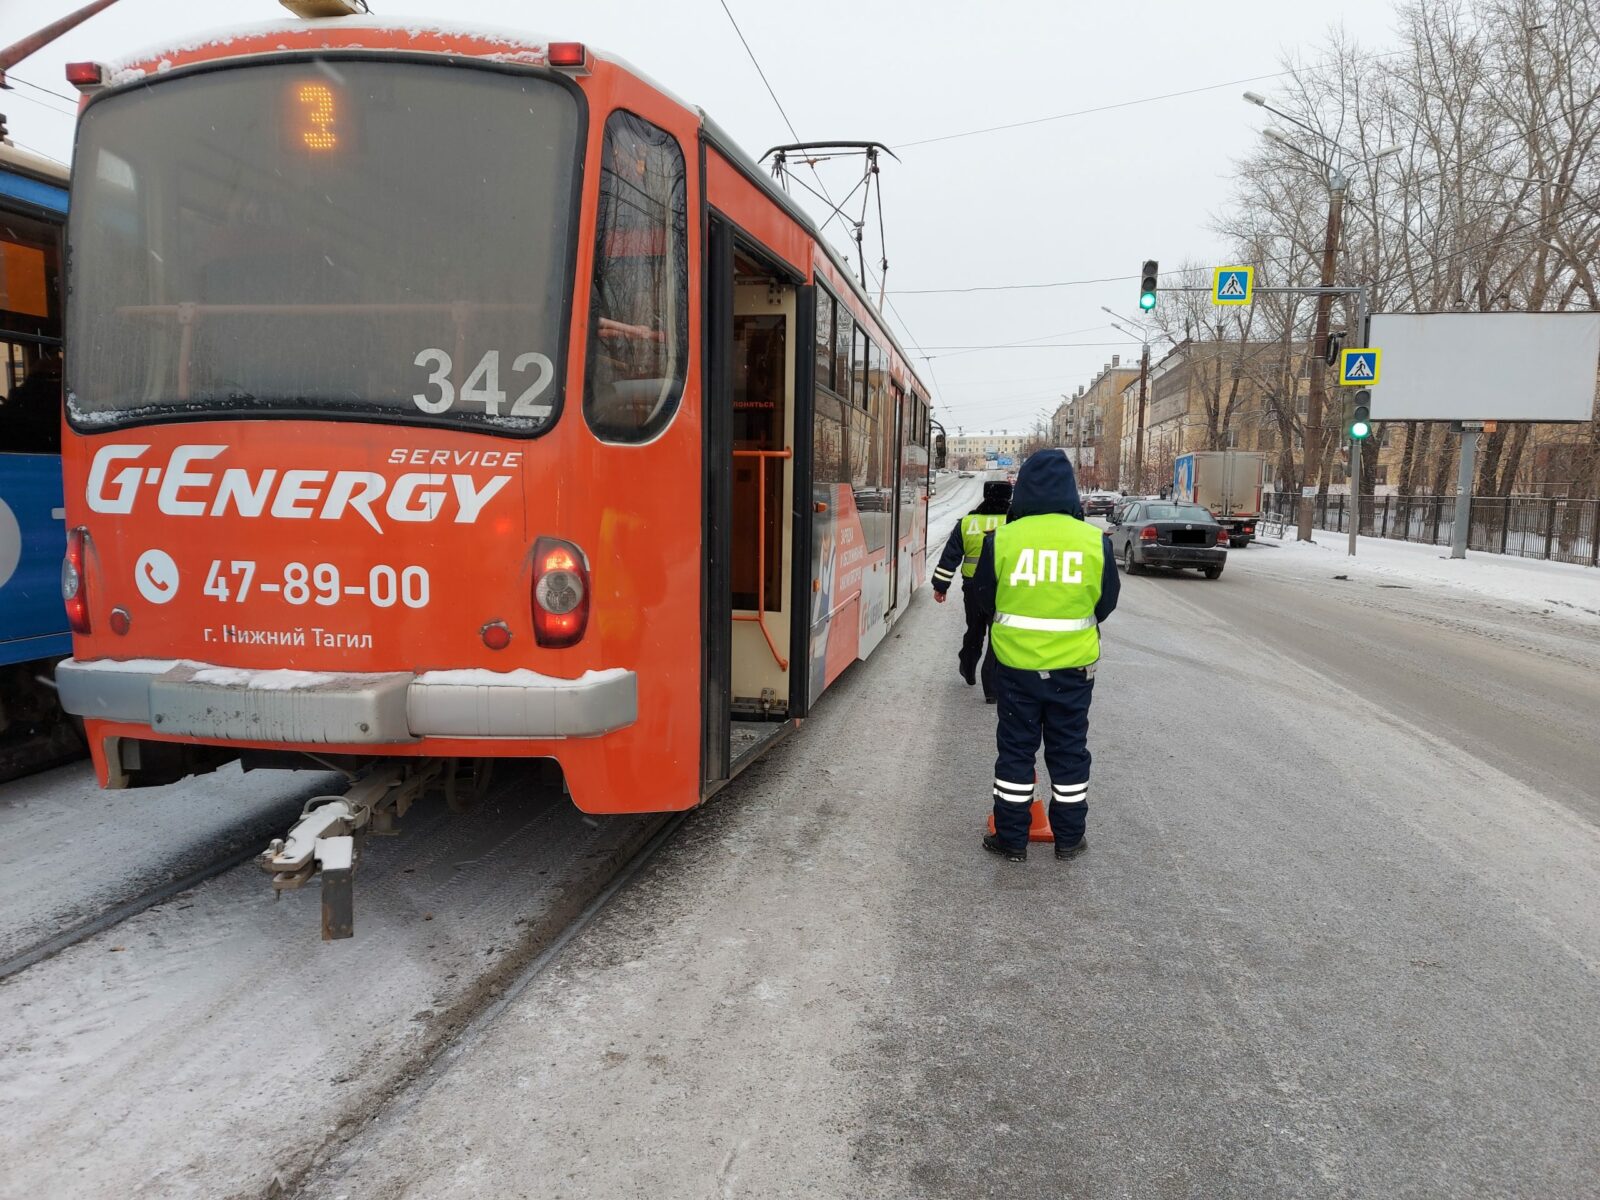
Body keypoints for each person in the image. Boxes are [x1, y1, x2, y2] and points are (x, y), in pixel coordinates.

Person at [969, 449, 1119, 862]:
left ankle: (1012, 840)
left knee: (1016, 752)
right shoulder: (1094, 542)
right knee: (1069, 752)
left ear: (1025, 491)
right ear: (1070, 491)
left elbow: (983, 598)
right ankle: (1069, 839)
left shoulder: (1003, 539)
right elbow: (1105, 603)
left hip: (1016, 669)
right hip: (1074, 671)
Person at [931, 480, 1013, 702]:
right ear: (1009, 496)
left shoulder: (967, 523)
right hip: (1004, 589)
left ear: (986, 495)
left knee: (975, 629)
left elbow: (950, 557)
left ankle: (967, 664)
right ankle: (992, 689)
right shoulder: (1016, 522)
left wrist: (941, 586)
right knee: (998, 634)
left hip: (973, 588)